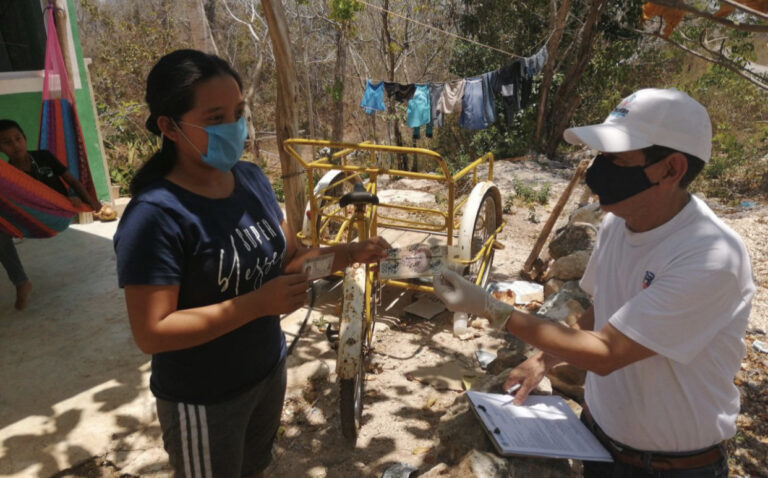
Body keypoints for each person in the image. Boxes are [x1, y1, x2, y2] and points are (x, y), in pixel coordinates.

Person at [434, 88, 755, 477]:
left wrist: (491, 307)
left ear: (671, 169)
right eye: (600, 156)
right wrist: (543, 359)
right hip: (597, 444)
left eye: (616, 159)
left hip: (672, 468)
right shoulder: (617, 225)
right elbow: (603, 309)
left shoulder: (710, 256)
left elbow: (606, 353)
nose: (597, 171)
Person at [113, 49, 388, 478]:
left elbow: (292, 261)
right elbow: (152, 332)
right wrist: (257, 305)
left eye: (239, 112)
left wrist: (350, 254)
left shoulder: (252, 180)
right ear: (169, 127)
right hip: (205, 398)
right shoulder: (156, 216)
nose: (234, 128)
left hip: (266, 372)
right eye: (215, 117)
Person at [0, 119, 106, 310]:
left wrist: (89, 201)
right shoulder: (7, 177)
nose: (15, 145)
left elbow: (72, 181)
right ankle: (21, 282)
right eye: (7, 142)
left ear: (24, 138)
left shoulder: (43, 157)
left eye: (18, 139)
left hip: (60, 214)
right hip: (30, 220)